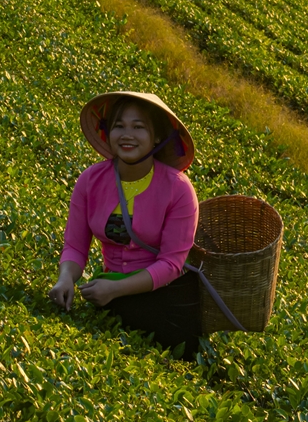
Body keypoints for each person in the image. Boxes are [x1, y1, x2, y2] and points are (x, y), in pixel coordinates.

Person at [49, 92, 203, 358]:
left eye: (138, 127)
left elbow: (171, 264)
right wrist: (65, 280)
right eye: (119, 126)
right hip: (112, 292)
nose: (127, 134)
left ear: (156, 137)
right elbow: (75, 246)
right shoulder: (91, 180)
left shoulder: (178, 189)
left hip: (165, 300)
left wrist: (115, 289)